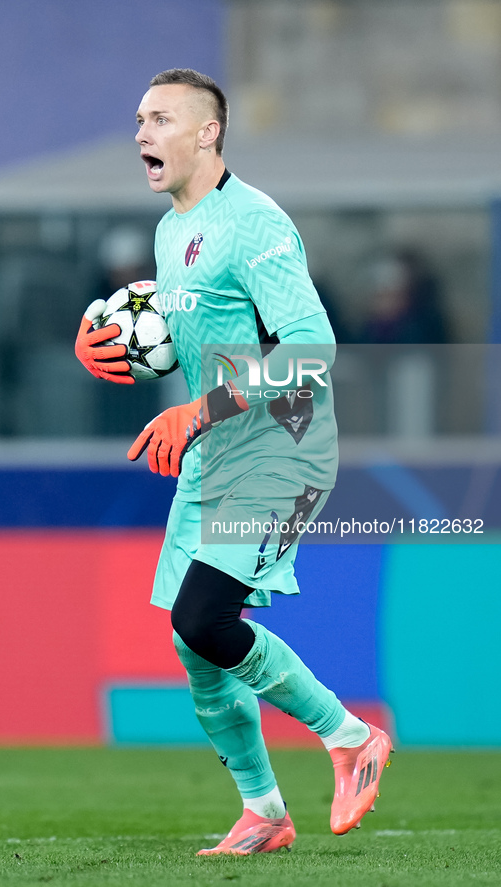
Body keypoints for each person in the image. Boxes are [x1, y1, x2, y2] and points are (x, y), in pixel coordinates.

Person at [75, 68, 392, 856]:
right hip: (217, 451)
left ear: (208, 133)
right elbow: (190, 320)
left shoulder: (255, 223)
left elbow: (312, 350)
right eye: (138, 118)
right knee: (193, 643)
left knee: (203, 617)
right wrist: (113, 339)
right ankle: (264, 812)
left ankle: (349, 735)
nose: (142, 132)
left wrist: (197, 407)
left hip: (281, 448)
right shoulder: (170, 228)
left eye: (160, 118)